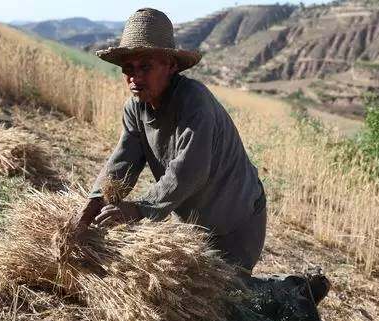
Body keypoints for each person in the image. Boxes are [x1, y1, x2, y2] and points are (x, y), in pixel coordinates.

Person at [73, 8, 267, 272]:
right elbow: (122, 164)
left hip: (236, 221)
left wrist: (139, 209)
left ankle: (296, 290)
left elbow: (190, 172)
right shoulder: (136, 109)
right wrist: (90, 210)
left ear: (171, 65)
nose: (135, 77)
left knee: (234, 300)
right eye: (129, 69)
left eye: (145, 66)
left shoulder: (194, 102)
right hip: (194, 222)